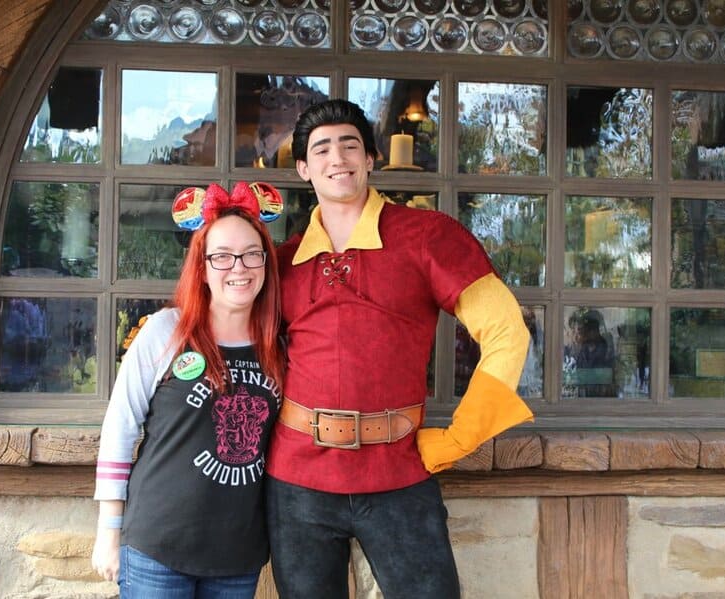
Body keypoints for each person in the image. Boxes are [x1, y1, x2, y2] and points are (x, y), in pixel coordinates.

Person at [264, 99, 533, 598]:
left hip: (399, 473)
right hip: (296, 480)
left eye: (350, 144)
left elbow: (507, 331)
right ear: (303, 168)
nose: (336, 156)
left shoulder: (429, 236)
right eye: (321, 148)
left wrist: (459, 438)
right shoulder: (282, 262)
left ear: (370, 159)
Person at [91, 181, 285, 598]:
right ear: (202, 266)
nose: (239, 267)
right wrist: (109, 530)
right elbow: (120, 428)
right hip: (157, 548)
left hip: (237, 553)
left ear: (267, 264)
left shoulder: (280, 345)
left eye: (252, 254)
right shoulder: (166, 332)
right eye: (223, 256)